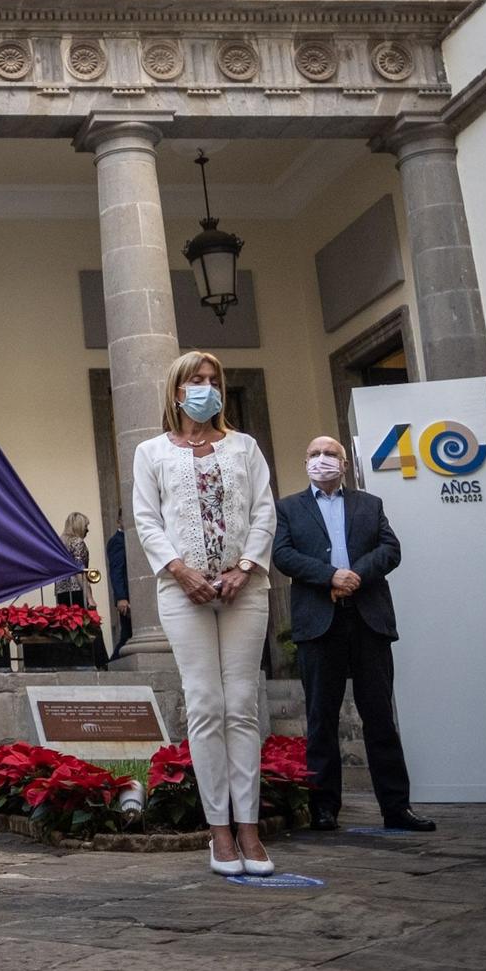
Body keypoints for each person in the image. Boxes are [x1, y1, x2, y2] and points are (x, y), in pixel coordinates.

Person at [132, 349, 277, 878]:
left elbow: (264, 509)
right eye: (196, 380)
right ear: (176, 391)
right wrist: (181, 570)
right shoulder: (151, 453)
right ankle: (219, 830)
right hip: (182, 590)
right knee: (205, 704)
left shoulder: (245, 447)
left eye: (213, 380)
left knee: (241, 704)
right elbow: (146, 520)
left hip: (245, 587)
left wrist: (244, 567)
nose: (207, 388)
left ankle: (250, 831)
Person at [273, 436, 433, 833]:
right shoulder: (289, 508)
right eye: (314, 454)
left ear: (344, 464)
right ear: (304, 461)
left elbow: (390, 548)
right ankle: (324, 808)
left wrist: (354, 576)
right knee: (321, 719)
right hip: (319, 622)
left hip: (367, 619)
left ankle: (397, 807)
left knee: (379, 717)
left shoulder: (369, 504)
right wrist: (329, 576)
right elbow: (283, 554)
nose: (322, 460)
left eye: (330, 455)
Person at [105, 515, 133, 660]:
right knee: (127, 635)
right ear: (119, 520)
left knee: (128, 634)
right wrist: (121, 597)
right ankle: (113, 663)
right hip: (127, 596)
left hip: (134, 594)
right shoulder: (116, 541)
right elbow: (116, 571)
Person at [55, 512, 91, 608]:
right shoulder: (77, 542)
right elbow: (79, 571)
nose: (87, 530)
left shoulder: (59, 543)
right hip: (77, 591)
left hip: (61, 592)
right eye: (85, 526)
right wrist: (90, 598)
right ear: (78, 526)